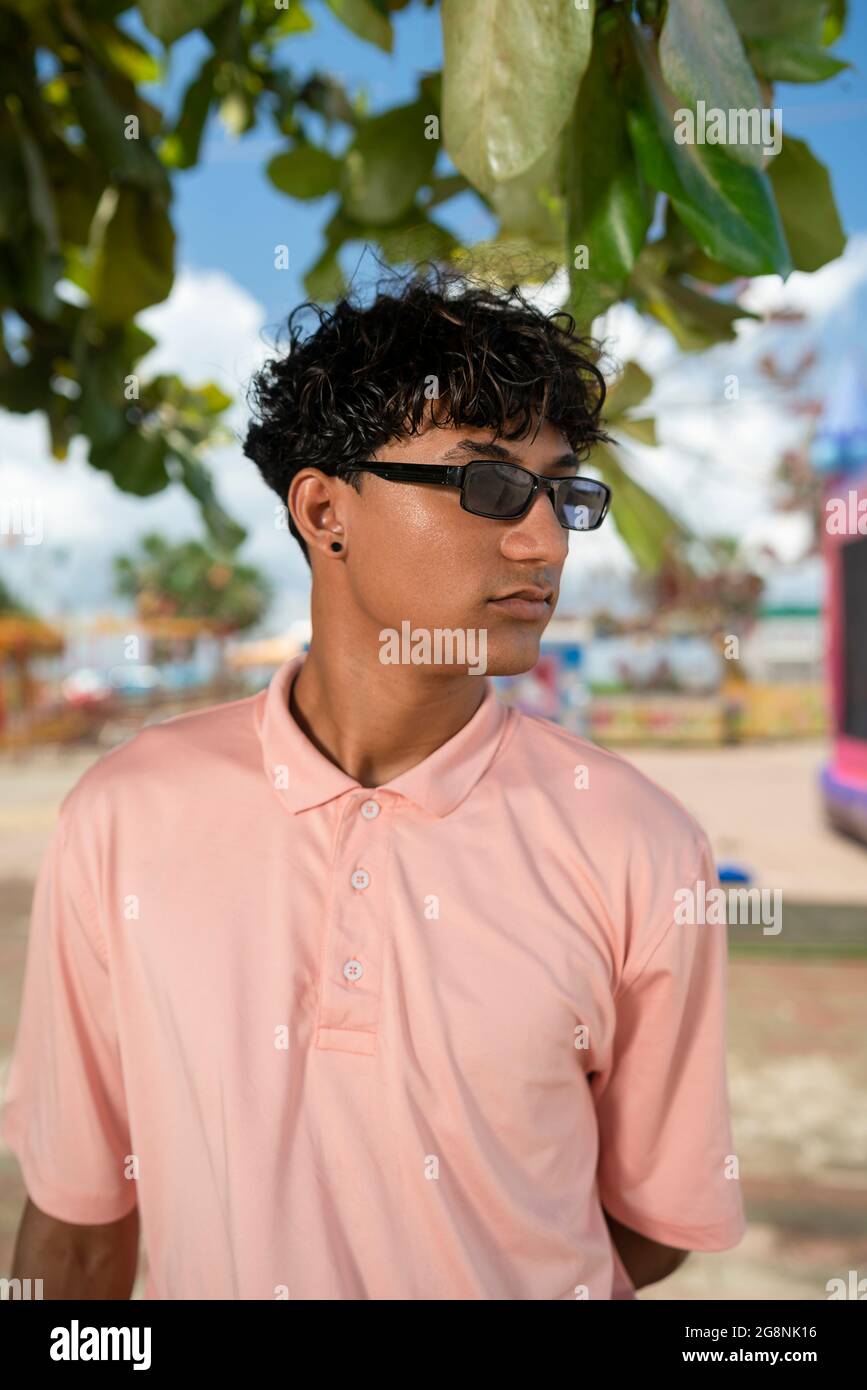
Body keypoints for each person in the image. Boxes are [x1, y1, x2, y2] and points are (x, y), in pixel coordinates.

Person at [2, 267, 745, 1300]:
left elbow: (655, 1223)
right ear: (324, 509)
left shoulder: (639, 842)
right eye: (486, 483)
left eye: (561, 491)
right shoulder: (122, 819)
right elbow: (79, 1229)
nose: (542, 541)